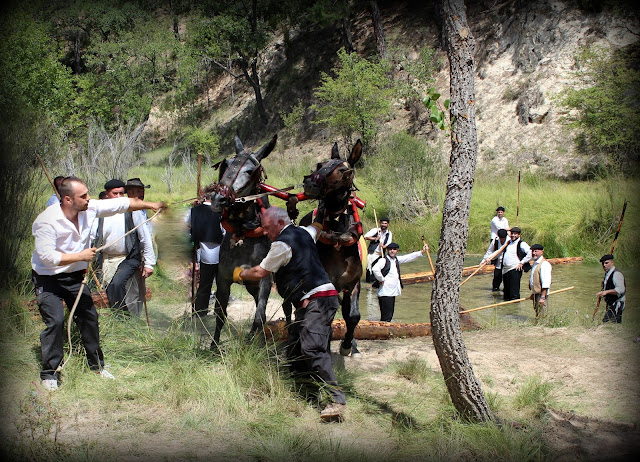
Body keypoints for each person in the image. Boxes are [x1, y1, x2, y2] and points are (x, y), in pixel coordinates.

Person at [31, 176, 164, 391]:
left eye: (88, 194)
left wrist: (152, 205)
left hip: (74, 278)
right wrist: (79, 256)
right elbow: (46, 256)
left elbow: (123, 203)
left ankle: (97, 366)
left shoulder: (89, 208)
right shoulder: (47, 220)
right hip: (48, 279)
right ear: (67, 199)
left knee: (89, 317)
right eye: (83, 196)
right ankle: (49, 373)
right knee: (55, 321)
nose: (88, 199)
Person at [234, 206, 347, 421]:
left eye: (267, 228)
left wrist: (240, 274)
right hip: (317, 300)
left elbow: (260, 272)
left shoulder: (281, 244)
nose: (265, 233)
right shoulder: (304, 232)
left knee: (312, 348)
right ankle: (306, 391)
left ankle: (337, 401)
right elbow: (316, 228)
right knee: (295, 347)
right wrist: (321, 216)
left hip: (318, 300)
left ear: (278, 223)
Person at [92, 179, 158, 317]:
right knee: (110, 291)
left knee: (129, 292)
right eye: (115, 193)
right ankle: (117, 323)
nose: (119, 197)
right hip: (106, 259)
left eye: (121, 193)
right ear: (107, 194)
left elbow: (145, 237)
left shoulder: (133, 210)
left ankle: (130, 322)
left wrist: (149, 263)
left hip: (129, 258)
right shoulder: (99, 211)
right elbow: (92, 236)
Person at [186, 187, 224, 317]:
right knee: (222, 285)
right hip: (221, 253)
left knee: (204, 285)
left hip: (202, 252)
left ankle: (200, 312)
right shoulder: (221, 212)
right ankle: (219, 312)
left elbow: (188, 226)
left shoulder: (194, 211)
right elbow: (225, 232)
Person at [123, 178, 157, 317]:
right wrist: (149, 262)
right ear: (129, 193)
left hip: (139, 258)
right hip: (132, 257)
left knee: (138, 293)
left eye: (142, 191)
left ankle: (135, 322)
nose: (142, 194)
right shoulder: (134, 210)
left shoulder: (141, 209)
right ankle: (132, 325)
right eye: (137, 192)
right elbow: (143, 237)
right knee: (133, 294)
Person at [371, 242, 429, 322]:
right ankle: (384, 332)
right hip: (385, 293)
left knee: (389, 316)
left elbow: (409, 257)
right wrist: (381, 279)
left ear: (397, 251)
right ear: (387, 250)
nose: (392, 251)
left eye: (394, 249)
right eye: (390, 249)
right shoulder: (383, 260)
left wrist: (422, 251)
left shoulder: (396, 260)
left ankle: (386, 331)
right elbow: (375, 269)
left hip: (392, 292)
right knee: (386, 317)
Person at [501, 226, 532, 301]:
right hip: (506, 270)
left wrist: (522, 263)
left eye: (515, 234)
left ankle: (514, 309)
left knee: (514, 292)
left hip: (515, 269)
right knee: (506, 293)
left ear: (519, 235)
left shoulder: (522, 244)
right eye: (512, 234)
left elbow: (530, 253)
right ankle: (506, 310)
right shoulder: (508, 243)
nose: (513, 235)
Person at [596, 254, 626, 323]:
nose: (604, 265)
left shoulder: (617, 274)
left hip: (617, 303)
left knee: (611, 324)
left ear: (612, 262)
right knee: (608, 323)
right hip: (611, 303)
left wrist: (606, 292)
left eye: (606, 263)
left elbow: (621, 290)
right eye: (603, 263)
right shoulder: (608, 273)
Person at [364, 217, 391, 282]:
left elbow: (388, 244)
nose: (384, 225)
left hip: (381, 254)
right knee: (369, 268)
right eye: (382, 223)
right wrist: (375, 238)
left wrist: (384, 246)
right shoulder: (375, 230)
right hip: (373, 253)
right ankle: (369, 283)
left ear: (387, 224)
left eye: (385, 223)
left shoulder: (389, 233)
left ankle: (377, 283)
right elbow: (365, 237)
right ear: (380, 223)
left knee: (379, 269)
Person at [529, 244, 552, 318]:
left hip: (541, 295)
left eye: (536, 251)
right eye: (532, 251)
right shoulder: (535, 263)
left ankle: (543, 328)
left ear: (541, 252)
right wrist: (533, 293)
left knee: (542, 314)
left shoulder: (544, 264)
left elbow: (546, 282)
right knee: (537, 313)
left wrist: (543, 297)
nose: (533, 253)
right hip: (536, 294)